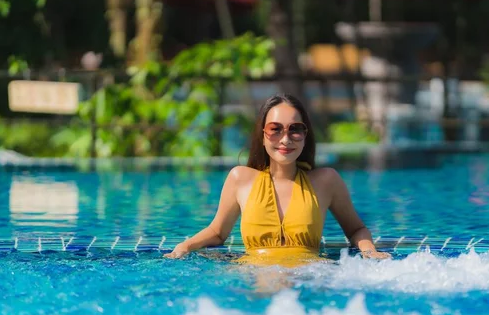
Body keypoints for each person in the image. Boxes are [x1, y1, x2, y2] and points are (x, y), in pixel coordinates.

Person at [164, 94, 389, 265]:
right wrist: (186, 245)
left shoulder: (326, 181)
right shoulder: (240, 178)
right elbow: (217, 232)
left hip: (310, 273)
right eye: (275, 129)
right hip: (252, 273)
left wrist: (370, 252)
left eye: (295, 130)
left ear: (305, 136)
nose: (285, 139)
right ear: (263, 136)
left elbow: (356, 229)